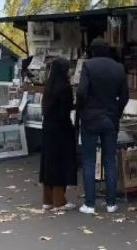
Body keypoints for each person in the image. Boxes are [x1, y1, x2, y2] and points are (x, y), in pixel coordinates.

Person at [76, 38, 129, 214]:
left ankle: (90, 204)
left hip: (91, 118)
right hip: (111, 118)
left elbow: (82, 91)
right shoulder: (119, 68)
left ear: (92, 51)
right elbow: (125, 96)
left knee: (89, 160)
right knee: (109, 160)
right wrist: (117, 111)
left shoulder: (88, 66)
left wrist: (82, 109)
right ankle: (111, 203)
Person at [39, 58, 78, 211]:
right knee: (60, 163)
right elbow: (65, 112)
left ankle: (47, 200)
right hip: (61, 129)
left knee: (48, 163)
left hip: (48, 128)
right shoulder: (64, 88)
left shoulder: (49, 87)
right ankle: (59, 200)